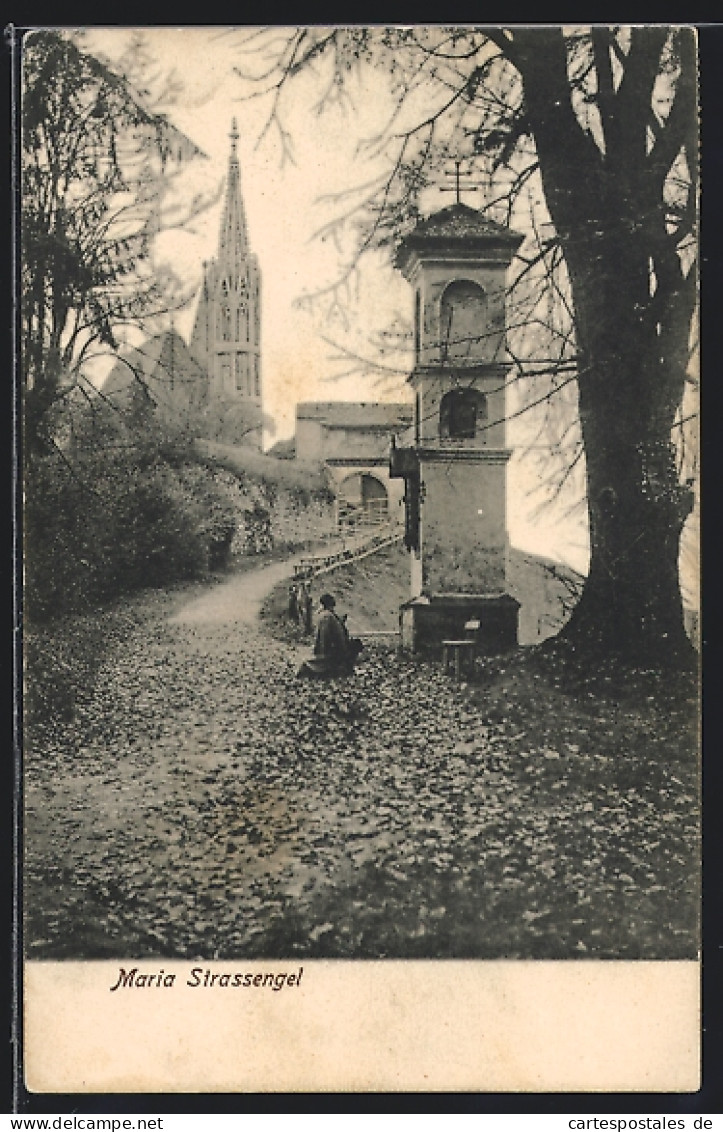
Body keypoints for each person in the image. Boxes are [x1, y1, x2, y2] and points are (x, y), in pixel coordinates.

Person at [297, 593, 362, 679]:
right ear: (331, 605)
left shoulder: (326, 616)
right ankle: (343, 667)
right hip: (330, 650)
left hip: (327, 648)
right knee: (356, 645)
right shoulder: (328, 617)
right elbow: (332, 638)